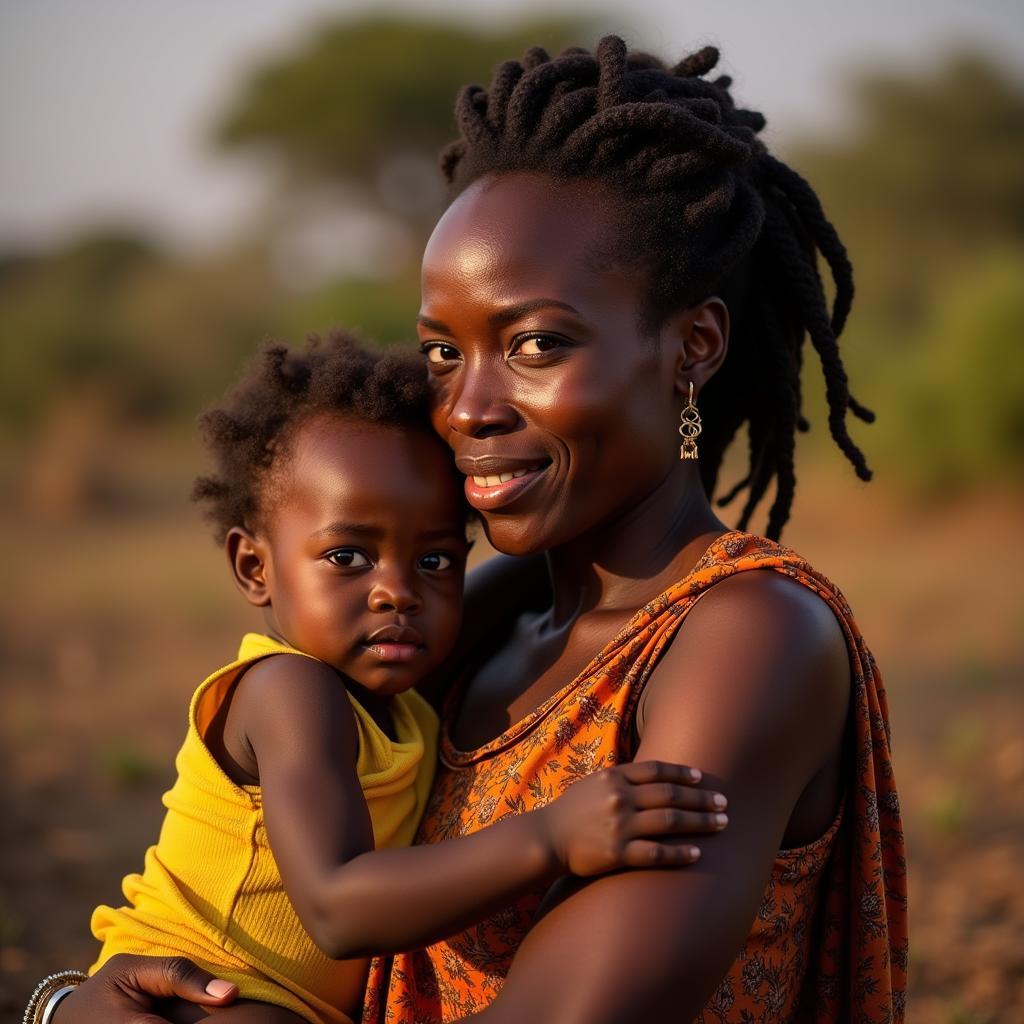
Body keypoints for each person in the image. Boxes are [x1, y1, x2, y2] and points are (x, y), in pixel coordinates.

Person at [45, 36, 906, 1023]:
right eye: (444, 352)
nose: (466, 408)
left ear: (691, 347)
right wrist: (71, 1005)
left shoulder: (749, 639)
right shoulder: (477, 611)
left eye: (536, 342)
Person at [31, 332, 722, 1024]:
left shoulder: (401, 702)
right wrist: (552, 836)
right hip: (199, 990)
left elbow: (555, 566)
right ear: (254, 568)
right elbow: (337, 906)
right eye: (347, 556)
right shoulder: (288, 692)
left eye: (435, 561)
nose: (397, 592)